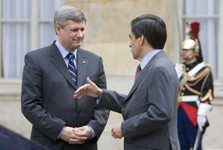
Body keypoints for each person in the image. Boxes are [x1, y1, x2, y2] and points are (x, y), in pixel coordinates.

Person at [74, 14, 180, 150]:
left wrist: (125, 128)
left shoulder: (159, 68)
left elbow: (161, 113)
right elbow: (137, 105)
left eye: (131, 38)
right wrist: (100, 93)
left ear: (141, 39)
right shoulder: (156, 65)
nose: (130, 44)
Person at [21, 6, 109, 150]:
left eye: (82, 29)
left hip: (85, 145)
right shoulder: (35, 60)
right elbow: (29, 105)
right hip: (49, 143)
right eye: (75, 30)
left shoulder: (95, 61)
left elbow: (103, 102)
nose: (80, 34)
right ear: (58, 29)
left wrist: (91, 129)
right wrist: (60, 130)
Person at [175, 22, 214, 150]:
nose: (183, 52)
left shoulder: (205, 70)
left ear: (195, 51)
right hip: (178, 109)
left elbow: (207, 92)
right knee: (180, 144)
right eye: (183, 50)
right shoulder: (179, 68)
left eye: (187, 50)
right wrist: (177, 76)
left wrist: (202, 113)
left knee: (195, 144)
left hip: (193, 110)